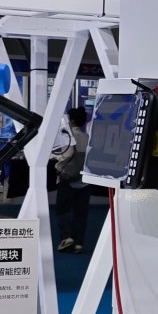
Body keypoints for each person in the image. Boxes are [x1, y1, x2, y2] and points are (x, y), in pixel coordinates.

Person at [54, 106, 90, 252]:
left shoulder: (68, 137)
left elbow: (66, 155)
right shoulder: (87, 137)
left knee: (62, 210)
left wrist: (57, 162)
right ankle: (78, 243)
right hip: (84, 180)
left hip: (68, 178)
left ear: (72, 120)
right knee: (81, 212)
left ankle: (66, 237)